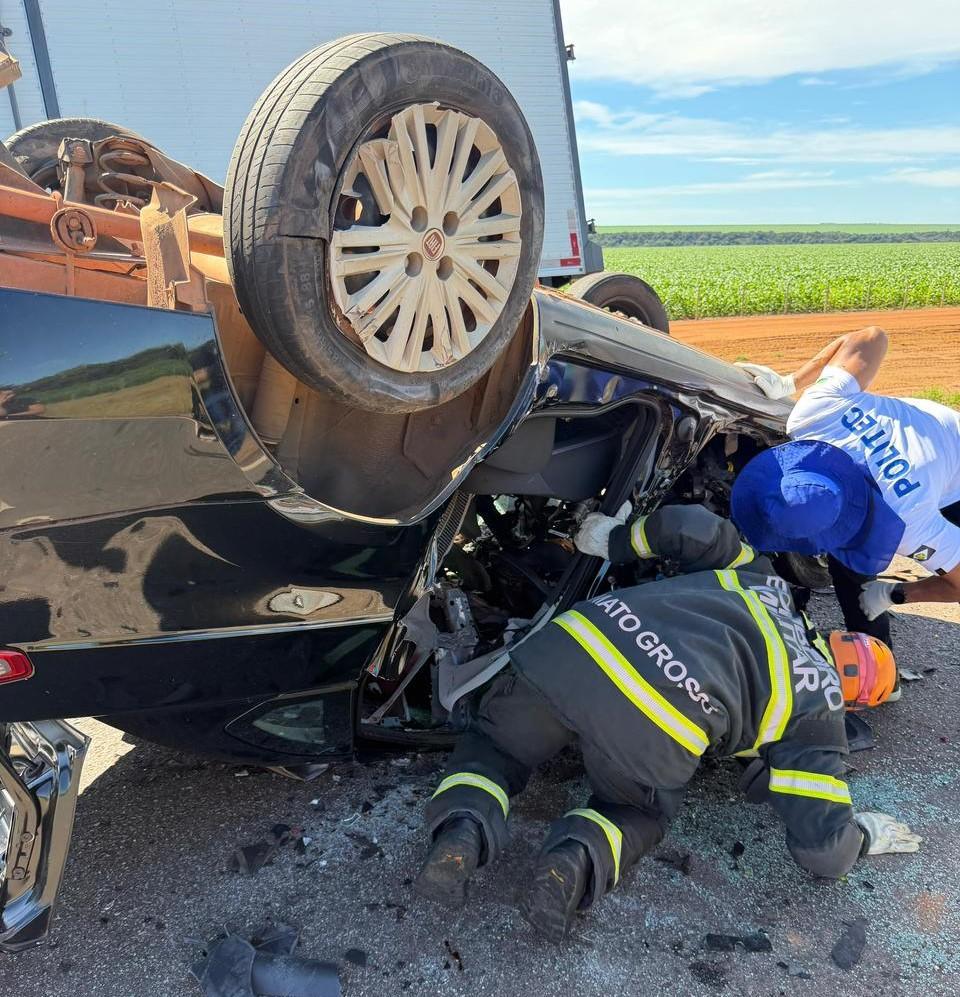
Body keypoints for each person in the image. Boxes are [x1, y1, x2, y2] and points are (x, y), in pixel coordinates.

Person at [413, 504, 919, 942]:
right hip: (655, 721)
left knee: (497, 748)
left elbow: (693, 527)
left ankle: (462, 827)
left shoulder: (767, 584)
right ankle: (573, 861)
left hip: (575, 645)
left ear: (836, 639)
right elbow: (824, 850)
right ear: (854, 702)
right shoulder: (819, 707)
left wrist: (615, 539)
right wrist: (862, 837)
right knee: (636, 810)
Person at [734, 326, 960, 647]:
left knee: (852, 568)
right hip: (931, 441)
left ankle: (876, 659)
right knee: (850, 561)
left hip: (950, 476)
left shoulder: (909, 520)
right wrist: (791, 383)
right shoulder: (815, 412)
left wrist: (894, 594)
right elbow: (871, 336)